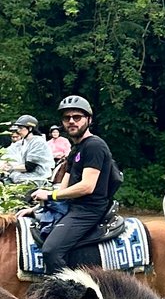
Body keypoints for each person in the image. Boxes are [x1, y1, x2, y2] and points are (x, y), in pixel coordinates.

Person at [31, 96, 121, 272]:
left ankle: (74, 295)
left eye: (77, 117)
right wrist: (37, 208)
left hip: (89, 210)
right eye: (67, 118)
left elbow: (87, 186)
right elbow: (63, 188)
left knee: (51, 251)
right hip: (74, 207)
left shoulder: (94, 146)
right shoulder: (75, 150)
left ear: (89, 119)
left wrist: (49, 195)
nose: (71, 121)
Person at [1, 116, 54, 186]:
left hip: (37, 178)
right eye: (18, 128)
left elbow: (29, 167)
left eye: (21, 128)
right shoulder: (23, 142)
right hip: (25, 176)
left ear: (30, 128)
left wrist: (10, 168)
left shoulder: (38, 142)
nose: (18, 131)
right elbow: (8, 152)